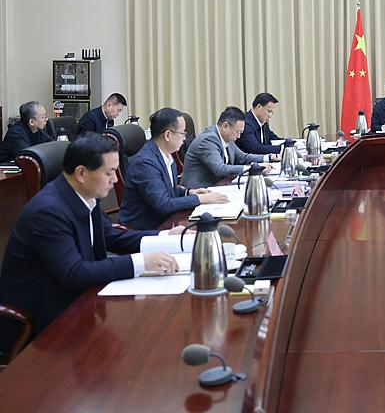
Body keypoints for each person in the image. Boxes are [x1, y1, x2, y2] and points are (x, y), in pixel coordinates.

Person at [0, 133, 182, 341]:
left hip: (77, 302)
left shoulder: (83, 194)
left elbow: (111, 236)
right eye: (109, 173)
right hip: (39, 322)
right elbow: (74, 274)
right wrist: (142, 262)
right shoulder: (48, 211)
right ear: (81, 173)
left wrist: (166, 237)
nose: (115, 180)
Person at [119, 108, 229, 230]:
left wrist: (189, 192)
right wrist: (200, 199)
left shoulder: (167, 156)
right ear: (168, 135)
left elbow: (167, 189)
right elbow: (163, 204)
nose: (185, 138)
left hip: (166, 222)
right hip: (145, 230)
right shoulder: (145, 163)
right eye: (182, 133)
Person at [181, 106, 272, 189]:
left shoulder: (227, 137)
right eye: (238, 132)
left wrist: (269, 157)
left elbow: (243, 157)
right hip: (200, 191)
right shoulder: (208, 140)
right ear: (225, 126)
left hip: (220, 185)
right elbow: (220, 169)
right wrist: (253, 169)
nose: (239, 136)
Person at [236, 92, 282, 157]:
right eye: (269, 111)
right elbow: (255, 148)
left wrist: (290, 143)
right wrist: (282, 148)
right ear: (259, 106)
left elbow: (273, 138)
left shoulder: (263, 122)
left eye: (272, 113)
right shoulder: (246, 123)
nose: (270, 116)